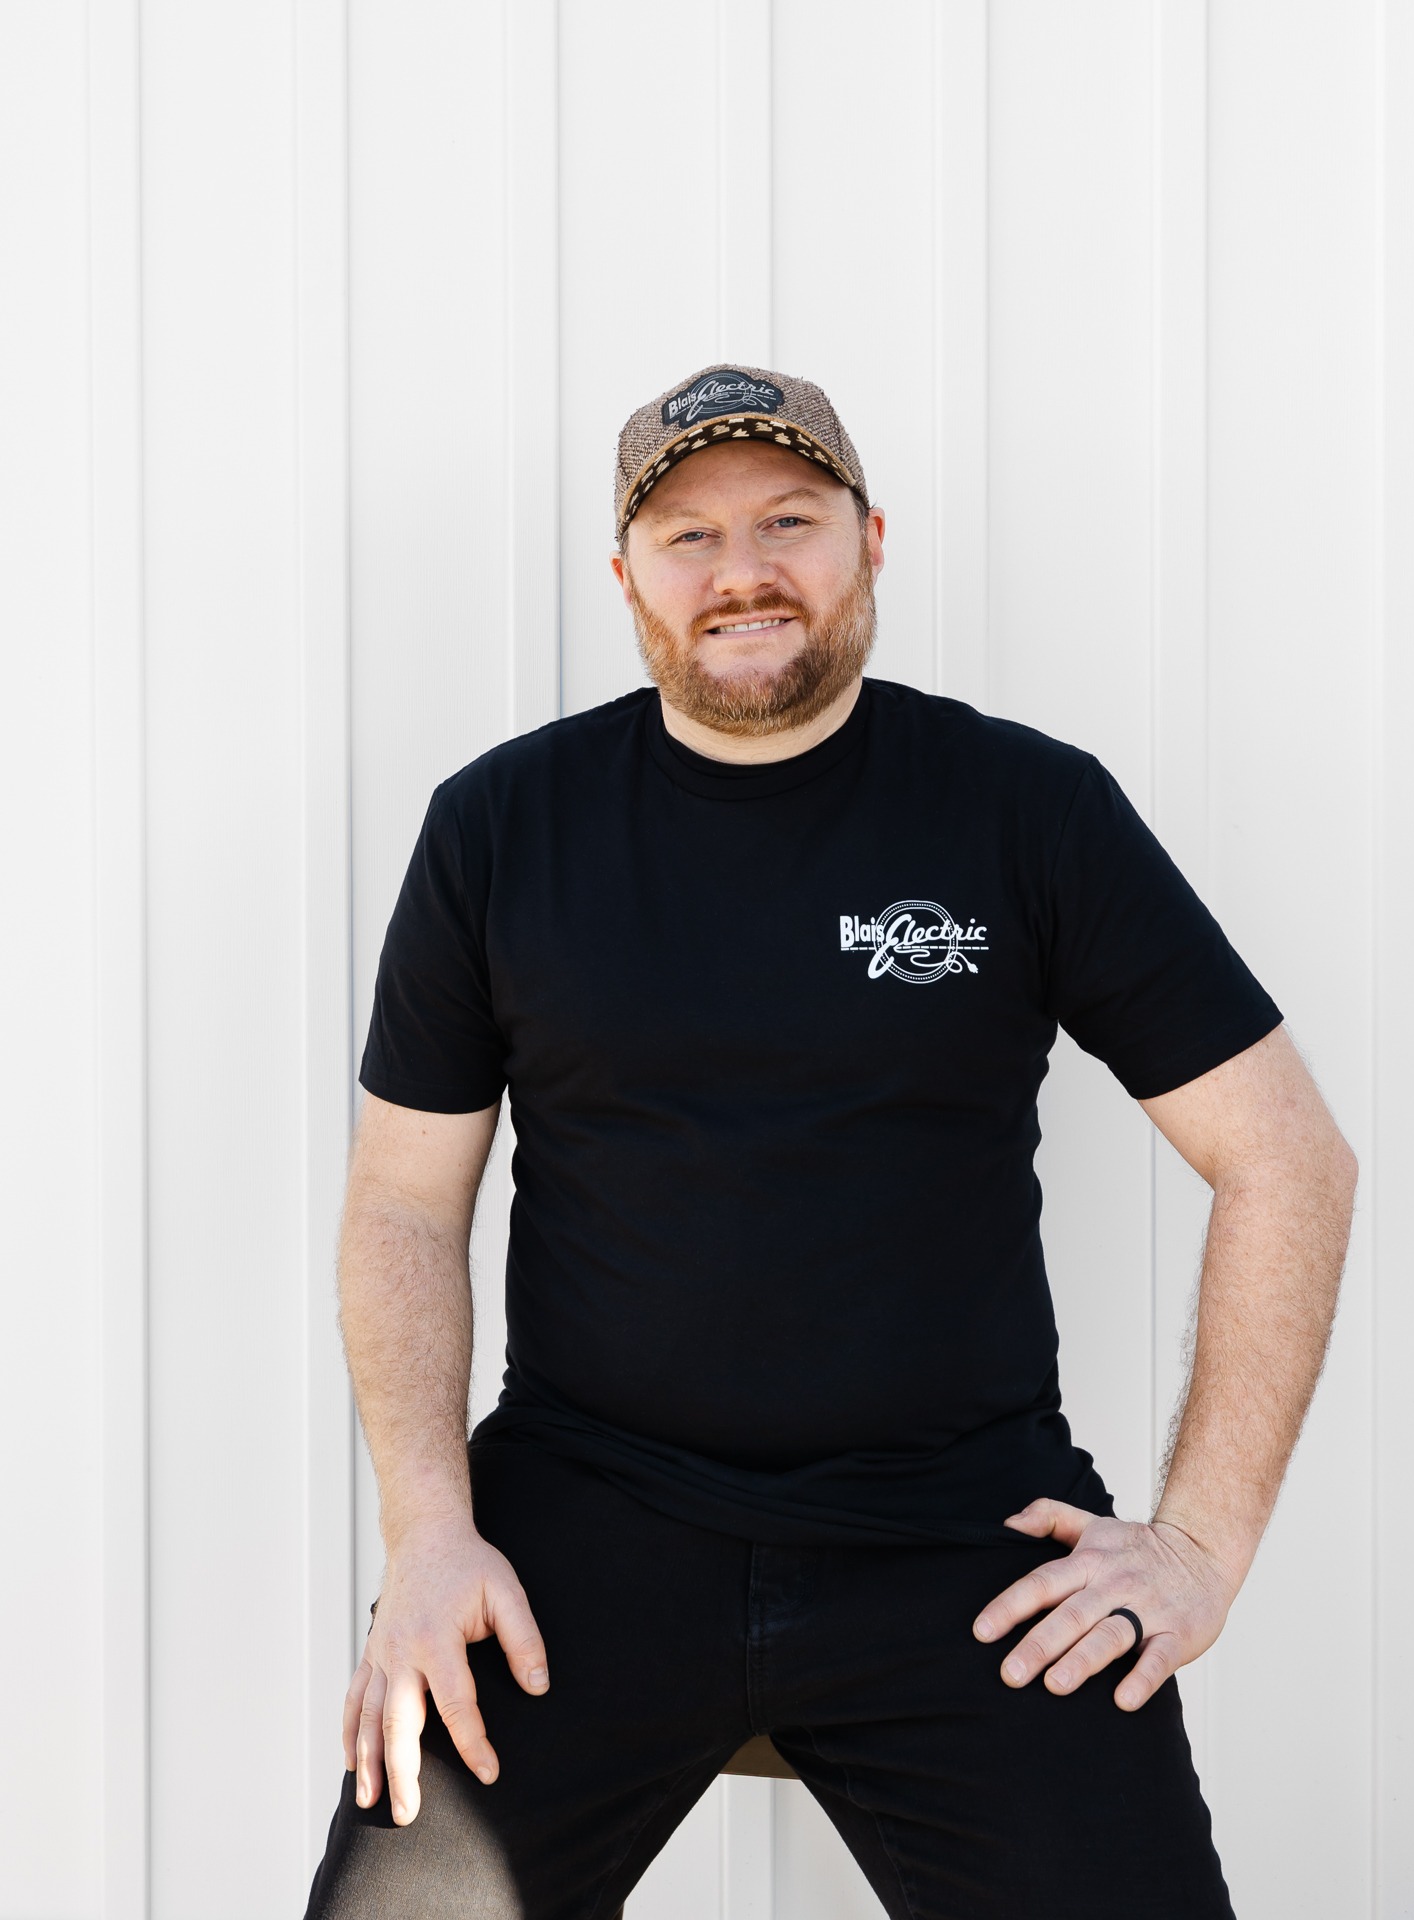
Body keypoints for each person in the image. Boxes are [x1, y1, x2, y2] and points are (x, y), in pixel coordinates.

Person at [303, 363, 1357, 1919]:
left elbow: (1288, 1158)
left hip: (958, 1535)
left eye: (789, 519)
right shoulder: (501, 829)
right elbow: (402, 1205)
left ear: (872, 541)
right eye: (688, 535)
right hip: (583, 1528)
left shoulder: (1026, 811)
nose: (743, 571)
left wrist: (1197, 1547)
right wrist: (429, 1533)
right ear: (625, 578)